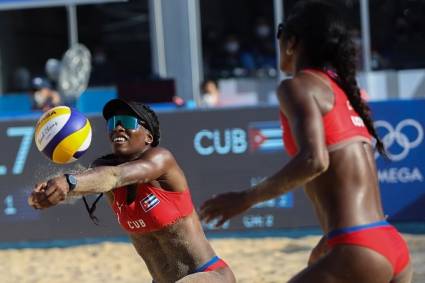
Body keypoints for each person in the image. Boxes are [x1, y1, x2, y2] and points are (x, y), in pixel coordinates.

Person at [200, 1, 412, 283]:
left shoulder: (297, 86)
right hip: (389, 243)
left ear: (291, 43)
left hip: (359, 246)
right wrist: (331, 239)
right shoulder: (345, 92)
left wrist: (245, 199)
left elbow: (315, 160)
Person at [28, 98, 236, 283]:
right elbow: (90, 181)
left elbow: (113, 177)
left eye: (127, 122)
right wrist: (46, 194)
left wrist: (68, 182)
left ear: (148, 137)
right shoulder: (103, 168)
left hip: (210, 275)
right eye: (113, 123)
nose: (118, 127)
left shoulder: (161, 159)